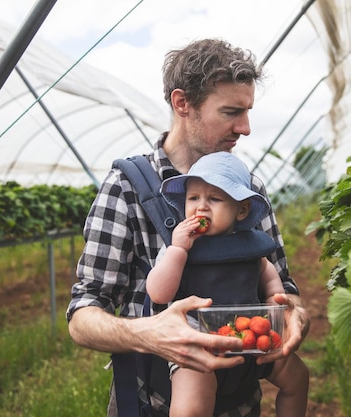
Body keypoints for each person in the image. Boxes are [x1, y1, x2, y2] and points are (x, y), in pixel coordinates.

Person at [67, 38, 310, 417]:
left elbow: (281, 286)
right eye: (231, 112)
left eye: (247, 111)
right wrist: (148, 333)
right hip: (154, 402)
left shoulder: (250, 192)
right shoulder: (127, 187)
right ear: (183, 104)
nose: (244, 128)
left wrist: (294, 313)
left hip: (241, 401)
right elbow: (83, 313)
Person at [146, 151, 309, 417]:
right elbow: (158, 292)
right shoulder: (179, 247)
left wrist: (274, 300)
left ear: (242, 209)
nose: (201, 207)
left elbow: (267, 275)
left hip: (253, 339)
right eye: (193, 198)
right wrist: (178, 251)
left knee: (298, 378)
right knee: (190, 409)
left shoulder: (250, 246)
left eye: (215, 198)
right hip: (199, 346)